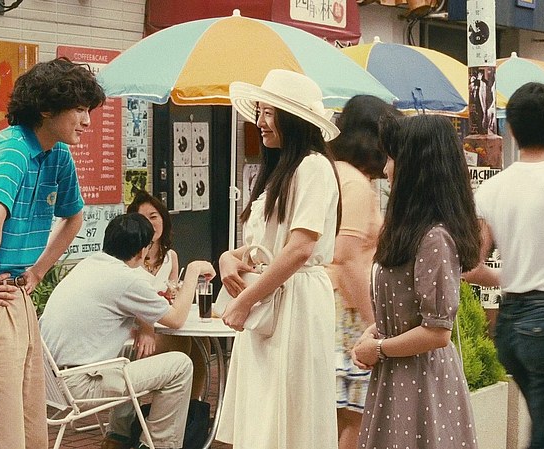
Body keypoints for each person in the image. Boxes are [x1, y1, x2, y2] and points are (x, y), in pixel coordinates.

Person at [0, 57, 105, 449]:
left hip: (16, 295)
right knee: (1, 437)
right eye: (79, 109)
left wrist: (37, 272)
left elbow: (74, 218)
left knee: (33, 433)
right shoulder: (12, 151)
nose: (87, 121)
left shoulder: (57, 155)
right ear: (46, 109)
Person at [215, 69, 341, 448]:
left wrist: (244, 301)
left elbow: (300, 248)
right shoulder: (283, 170)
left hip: (295, 301)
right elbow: (266, 244)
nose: (260, 122)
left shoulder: (313, 167)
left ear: (294, 119)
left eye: (269, 113)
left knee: (289, 410)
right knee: (266, 413)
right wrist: (227, 258)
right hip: (271, 301)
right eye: (260, 111)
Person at [351, 114, 480, 449]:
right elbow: (406, 312)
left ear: (415, 166)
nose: (386, 169)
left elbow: (437, 332)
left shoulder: (434, 238)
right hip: (400, 375)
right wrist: (375, 332)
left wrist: (378, 348)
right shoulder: (413, 233)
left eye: (392, 158)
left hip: (422, 382)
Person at [40, 213, 216, 449]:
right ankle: (158, 445)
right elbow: (176, 319)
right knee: (180, 365)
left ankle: (119, 436)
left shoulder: (89, 265)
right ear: (143, 250)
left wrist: (145, 327)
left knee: (133, 354)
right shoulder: (126, 279)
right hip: (81, 386)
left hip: (51, 381)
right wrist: (194, 270)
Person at [464, 82, 544, 449]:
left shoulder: (491, 189)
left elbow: (470, 265)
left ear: (510, 129)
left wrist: (511, 275)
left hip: (511, 324)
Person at [327, 95, 399, 449]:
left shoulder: (333, 172)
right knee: (357, 420)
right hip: (349, 313)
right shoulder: (354, 183)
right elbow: (347, 259)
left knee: (340, 419)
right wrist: (377, 323)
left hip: (333, 308)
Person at [126, 190, 210, 400]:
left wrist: (176, 294)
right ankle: (168, 408)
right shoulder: (129, 257)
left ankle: (192, 406)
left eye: (154, 216)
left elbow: (173, 297)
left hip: (163, 324)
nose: (150, 223)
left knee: (202, 342)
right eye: (143, 218)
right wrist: (146, 327)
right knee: (182, 344)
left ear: (163, 219)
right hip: (135, 331)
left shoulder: (170, 256)